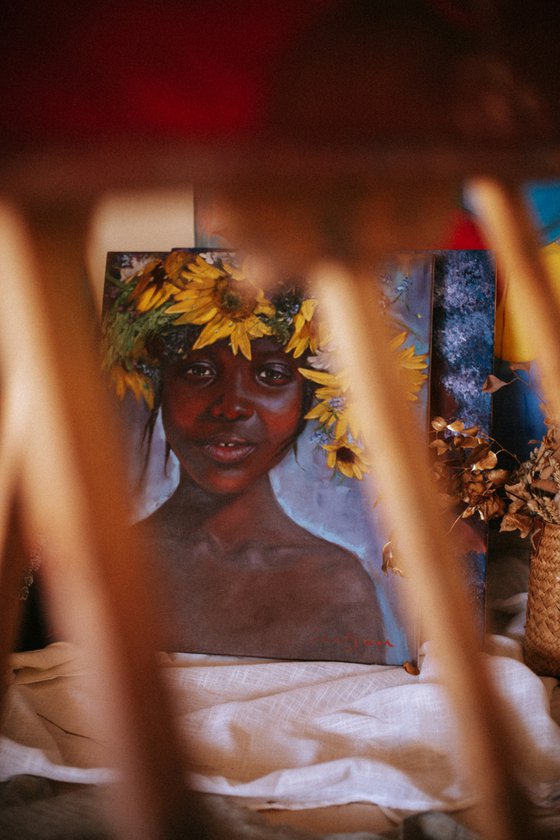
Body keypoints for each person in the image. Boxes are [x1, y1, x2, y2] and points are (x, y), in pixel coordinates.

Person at [102, 249, 426, 662]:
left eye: (272, 375)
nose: (230, 407)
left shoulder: (332, 584)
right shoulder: (110, 565)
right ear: (159, 383)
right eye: (198, 370)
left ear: (311, 398)